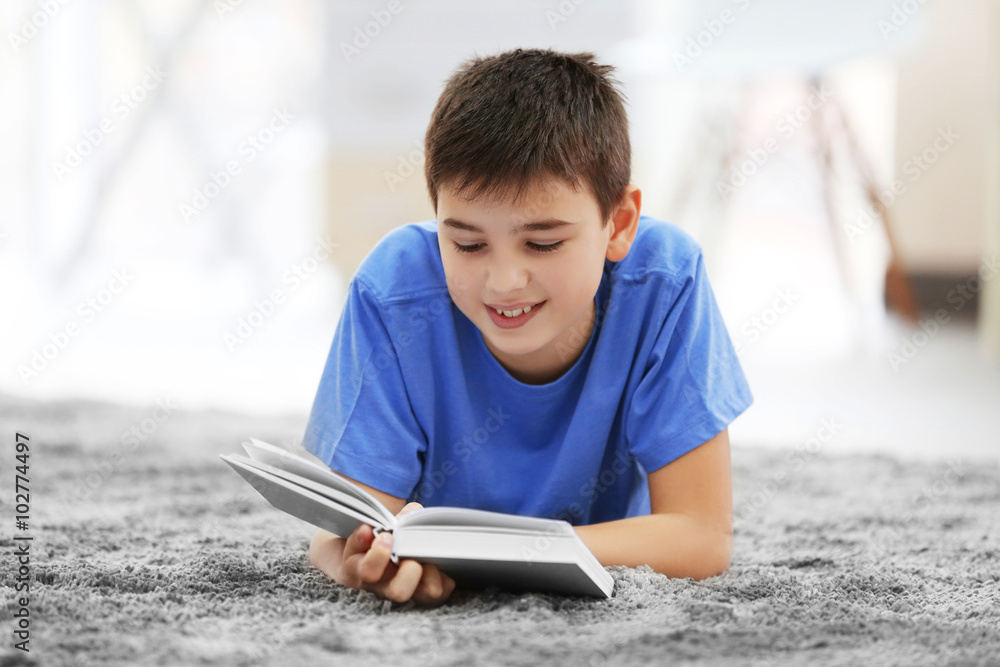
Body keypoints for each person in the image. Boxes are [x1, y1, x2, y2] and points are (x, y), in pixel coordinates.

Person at [304, 48, 753, 607]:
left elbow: (701, 536)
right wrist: (360, 562)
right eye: (467, 244)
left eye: (543, 243)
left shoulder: (665, 280)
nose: (504, 282)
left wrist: (494, 559)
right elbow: (342, 528)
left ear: (619, 224)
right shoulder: (394, 290)